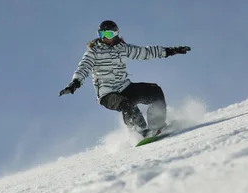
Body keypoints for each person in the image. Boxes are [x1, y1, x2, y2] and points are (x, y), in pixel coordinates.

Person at [59, 20, 190, 137]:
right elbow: (83, 67)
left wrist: (171, 51)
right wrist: (74, 83)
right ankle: (140, 132)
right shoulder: (93, 52)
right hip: (107, 94)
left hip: (124, 87)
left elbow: (145, 52)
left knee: (155, 90)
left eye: (108, 34)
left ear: (115, 34)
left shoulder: (122, 48)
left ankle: (157, 125)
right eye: (101, 34)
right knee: (126, 104)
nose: (104, 38)